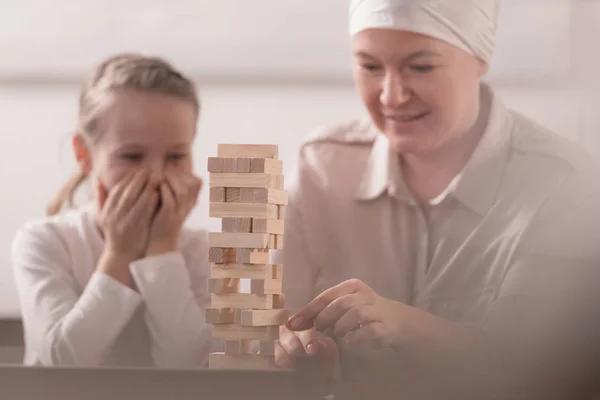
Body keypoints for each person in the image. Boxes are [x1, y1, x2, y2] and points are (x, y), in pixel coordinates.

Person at [276, 0, 600, 398]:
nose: (391, 96)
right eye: (370, 67)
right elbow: (269, 323)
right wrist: (293, 348)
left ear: (481, 57)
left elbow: (541, 365)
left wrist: (403, 326)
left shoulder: (562, 183)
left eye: (421, 66)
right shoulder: (321, 167)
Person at [11, 53, 213, 368]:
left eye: (176, 156)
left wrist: (163, 250)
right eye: (132, 156)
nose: (157, 176)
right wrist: (119, 254)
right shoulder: (45, 242)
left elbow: (190, 365)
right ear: (84, 155)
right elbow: (63, 364)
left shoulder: (199, 250)